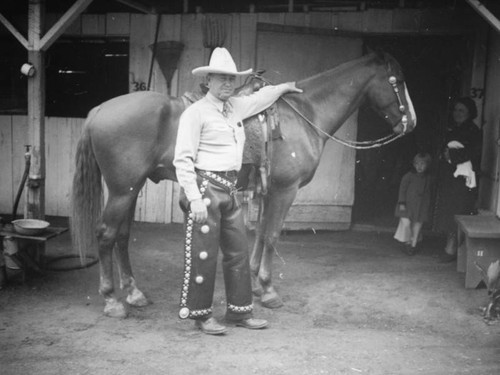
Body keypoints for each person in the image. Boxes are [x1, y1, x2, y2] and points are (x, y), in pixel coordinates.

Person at [173, 47, 302, 335]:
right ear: (208, 81)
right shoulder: (196, 113)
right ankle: (201, 315)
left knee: (238, 253)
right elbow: (182, 159)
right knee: (203, 255)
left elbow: (260, 97)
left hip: (231, 190)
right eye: (221, 79)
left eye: (232, 79)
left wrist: (284, 87)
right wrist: (194, 197)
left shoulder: (236, 108)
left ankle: (239, 312)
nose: (228, 84)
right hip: (206, 189)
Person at [433, 97, 482, 263]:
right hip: (450, 177)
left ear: (469, 113)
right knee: (448, 210)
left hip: (462, 180)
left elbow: (474, 152)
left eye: (461, 110)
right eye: (455, 110)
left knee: (458, 210)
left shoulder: (473, 130)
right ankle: (450, 245)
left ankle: (452, 249)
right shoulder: (452, 129)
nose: (457, 113)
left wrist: (451, 155)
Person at [394, 153, 433, 255]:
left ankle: (413, 245)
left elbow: (428, 192)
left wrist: (427, 206)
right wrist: (402, 203)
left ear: (427, 165)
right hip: (407, 205)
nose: (419, 167)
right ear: (414, 164)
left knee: (417, 225)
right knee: (406, 223)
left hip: (421, 206)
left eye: (422, 164)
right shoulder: (408, 176)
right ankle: (407, 241)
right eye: (417, 164)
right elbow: (402, 190)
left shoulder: (428, 178)